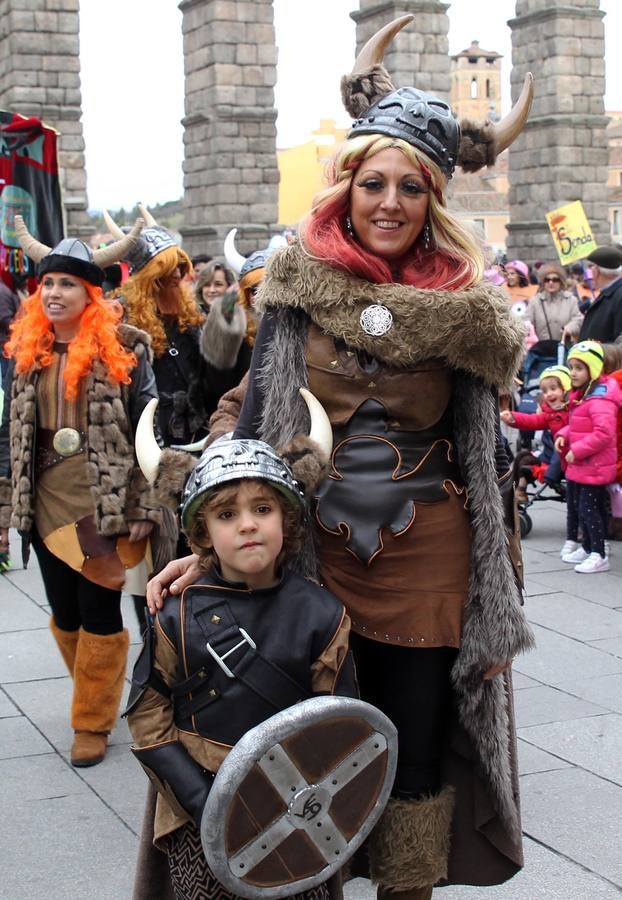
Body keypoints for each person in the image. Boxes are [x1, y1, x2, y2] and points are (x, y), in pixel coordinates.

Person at [143, 17, 535, 899]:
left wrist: (497, 602)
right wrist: (204, 534)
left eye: (409, 187)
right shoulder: (294, 288)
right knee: (297, 749)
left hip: (429, 562)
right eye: (373, 183)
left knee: (417, 749)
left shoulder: (468, 315)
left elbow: (488, 464)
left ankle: (408, 890)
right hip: (310, 558)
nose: (389, 202)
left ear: (432, 201)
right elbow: (251, 406)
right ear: (347, 187)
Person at [126, 437, 356, 900]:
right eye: (227, 514)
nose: (248, 525)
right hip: (199, 814)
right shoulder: (176, 616)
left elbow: (342, 726)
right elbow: (148, 716)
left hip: (292, 813)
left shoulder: (322, 614)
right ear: (204, 532)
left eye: (263, 509)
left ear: (287, 519)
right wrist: (204, 801)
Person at [0, 216, 162, 767]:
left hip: (103, 504)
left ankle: (91, 721)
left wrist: (144, 504)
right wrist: (7, 504)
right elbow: (11, 437)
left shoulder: (127, 350)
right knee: (64, 612)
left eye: (66, 283)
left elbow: (150, 431)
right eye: (47, 283)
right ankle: (93, 692)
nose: (54, 293)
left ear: (91, 293)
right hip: (44, 503)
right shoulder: (26, 353)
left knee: (98, 610)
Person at [555, 340, 622, 573]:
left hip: (594, 465)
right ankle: (587, 547)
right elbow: (579, 424)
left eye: (579, 368)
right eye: (571, 366)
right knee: (579, 505)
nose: (572, 373)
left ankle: (599, 554)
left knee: (589, 509)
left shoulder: (601, 398)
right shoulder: (583, 394)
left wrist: (578, 449)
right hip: (583, 465)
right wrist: (564, 434)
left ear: (593, 370)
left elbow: (603, 433)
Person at [500, 365, 570, 508]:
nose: (549, 394)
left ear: (565, 389)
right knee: (522, 458)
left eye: (553, 388)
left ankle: (553, 480)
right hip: (552, 456)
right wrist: (513, 417)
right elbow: (533, 421)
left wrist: (550, 474)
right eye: (544, 391)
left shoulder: (572, 411)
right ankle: (520, 491)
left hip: (568, 459)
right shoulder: (550, 414)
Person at [524, 262, 584, 345]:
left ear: (561, 282)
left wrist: (569, 328)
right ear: (543, 282)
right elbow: (526, 321)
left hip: (564, 348)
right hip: (542, 350)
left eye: (555, 280)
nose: (551, 283)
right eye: (547, 280)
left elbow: (578, 320)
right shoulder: (535, 300)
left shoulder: (571, 299)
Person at [578, 246, 622, 343]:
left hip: (604, 357)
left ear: (596, 271)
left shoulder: (618, 296)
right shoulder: (610, 293)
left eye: (591, 267)